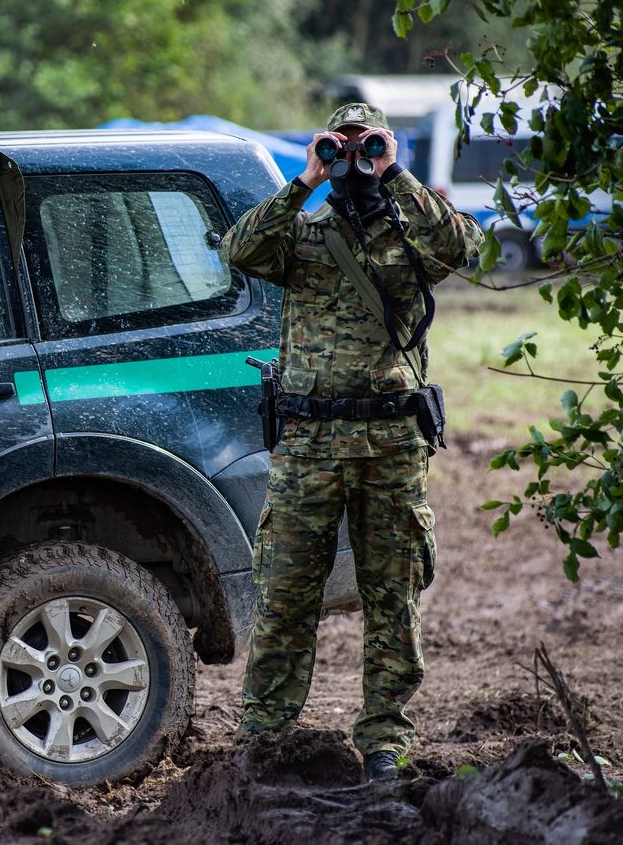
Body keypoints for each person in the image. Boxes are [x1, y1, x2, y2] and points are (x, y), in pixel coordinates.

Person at [223, 103, 481, 781]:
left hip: (391, 443)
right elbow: (238, 249)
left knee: (392, 596)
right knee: (284, 593)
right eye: (344, 148)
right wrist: (305, 178)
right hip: (310, 443)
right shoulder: (300, 236)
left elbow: (467, 250)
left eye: (365, 147)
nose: (354, 161)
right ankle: (265, 738)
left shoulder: (412, 236)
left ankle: (386, 742)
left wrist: (395, 172)